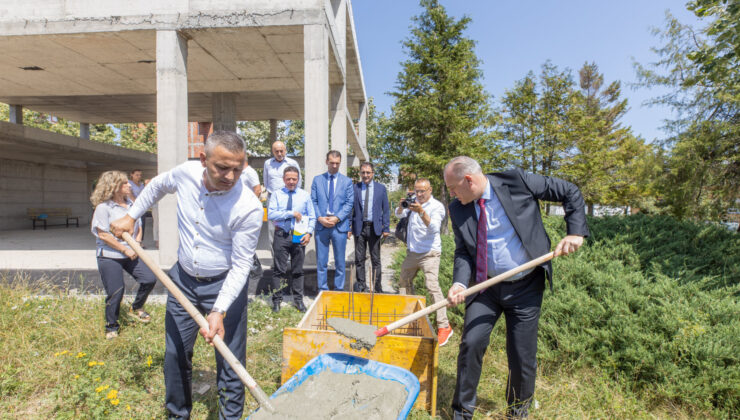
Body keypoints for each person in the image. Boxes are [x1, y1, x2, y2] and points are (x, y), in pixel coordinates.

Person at [110, 131, 262, 420]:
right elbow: (156, 186)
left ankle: (230, 417)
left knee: (230, 362)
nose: (230, 176)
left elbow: (242, 265)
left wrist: (219, 310)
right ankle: (177, 415)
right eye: (222, 168)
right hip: (182, 282)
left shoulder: (248, 207)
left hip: (224, 285)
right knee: (175, 356)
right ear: (203, 159)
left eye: (238, 169)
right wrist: (132, 215)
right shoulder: (186, 173)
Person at [443, 156, 589, 419]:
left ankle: (517, 412)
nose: (451, 194)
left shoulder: (517, 181)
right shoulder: (458, 208)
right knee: (471, 343)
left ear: (469, 180)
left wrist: (575, 231)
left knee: (522, 355)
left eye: (453, 188)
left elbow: (570, 191)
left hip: (525, 287)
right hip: (484, 287)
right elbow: (464, 251)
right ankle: (462, 412)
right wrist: (459, 282)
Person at [90, 170, 156, 340]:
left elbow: (139, 225)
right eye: (124, 183)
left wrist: (137, 244)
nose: (129, 185)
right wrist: (125, 249)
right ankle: (111, 327)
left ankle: (136, 307)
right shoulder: (103, 208)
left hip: (131, 252)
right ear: (114, 187)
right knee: (116, 291)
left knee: (149, 279)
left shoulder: (132, 205)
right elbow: (103, 234)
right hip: (110, 255)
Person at [395, 178, 454, 346]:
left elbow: (434, 228)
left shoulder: (437, 206)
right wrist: (402, 205)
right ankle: (411, 319)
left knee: (432, 286)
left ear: (430, 190)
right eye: (416, 191)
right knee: (404, 283)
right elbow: (399, 214)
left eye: (422, 191)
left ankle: (444, 326)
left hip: (430, 252)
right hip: (412, 252)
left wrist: (420, 211)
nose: (419, 194)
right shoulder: (413, 202)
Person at [268, 166, 315, 313]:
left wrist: (309, 233)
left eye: (294, 179)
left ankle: (298, 301)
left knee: (298, 270)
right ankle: (277, 301)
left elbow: (312, 216)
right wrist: (291, 213)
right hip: (281, 235)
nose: (291, 181)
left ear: (298, 179)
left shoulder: (304, 195)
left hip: (299, 235)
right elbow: (272, 214)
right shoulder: (276, 194)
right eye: (288, 179)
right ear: (283, 179)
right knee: (278, 270)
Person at [310, 150, 354, 291]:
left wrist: (337, 218)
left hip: (339, 226)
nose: (334, 166)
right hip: (322, 225)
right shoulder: (317, 180)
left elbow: (349, 203)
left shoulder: (347, 182)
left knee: (340, 262)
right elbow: (313, 201)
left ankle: (339, 290)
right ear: (326, 162)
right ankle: (322, 290)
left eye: (337, 163)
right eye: (332, 162)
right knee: (321, 262)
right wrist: (319, 218)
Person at [349, 162, 390, 292]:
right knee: (359, 259)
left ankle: (377, 286)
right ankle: (361, 285)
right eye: (363, 172)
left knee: (375, 259)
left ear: (372, 173)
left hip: (375, 228)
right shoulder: (355, 188)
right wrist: (349, 227)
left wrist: (386, 228)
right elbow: (351, 209)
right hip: (359, 228)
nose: (365, 175)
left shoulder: (381, 188)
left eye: (368, 172)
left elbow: (386, 209)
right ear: (360, 173)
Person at [263, 141, 301, 257]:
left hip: (289, 198)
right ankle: (276, 258)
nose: (279, 153)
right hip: (273, 199)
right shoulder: (267, 163)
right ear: (273, 151)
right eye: (276, 151)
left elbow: (298, 181)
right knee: (272, 228)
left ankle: (289, 257)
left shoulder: (292, 163)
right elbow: (266, 181)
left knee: (290, 226)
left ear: (285, 150)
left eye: (281, 151)